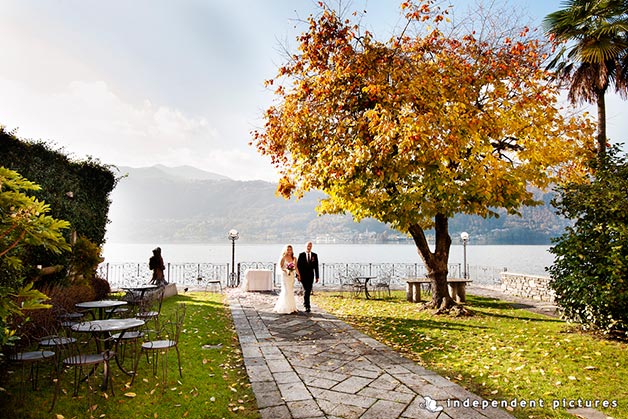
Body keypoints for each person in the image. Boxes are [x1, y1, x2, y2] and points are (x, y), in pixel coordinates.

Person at [274, 244, 298, 314]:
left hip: (291, 276)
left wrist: (299, 275)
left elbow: (296, 267)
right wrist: (286, 270)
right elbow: (281, 267)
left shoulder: (294, 258)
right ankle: (284, 307)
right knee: (286, 290)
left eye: (290, 249)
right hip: (285, 276)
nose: (289, 251)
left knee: (290, 290)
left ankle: (291, 307)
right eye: (288, 249)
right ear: (286, 250)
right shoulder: (283, 257)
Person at [297, 241, 319, 313]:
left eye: (310, 246)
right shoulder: (301, 255)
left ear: (311, 247)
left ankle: (307, 305)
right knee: (306, 290)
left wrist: (317, 276)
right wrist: (298, 276)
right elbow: (298, 266)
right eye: (308, 246)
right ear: (305, 246)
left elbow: (316, 267)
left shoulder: (314, 255)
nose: (309, 247)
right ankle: (307, 305)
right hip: (303, 276)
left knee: (308, 291)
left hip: (311, 276)